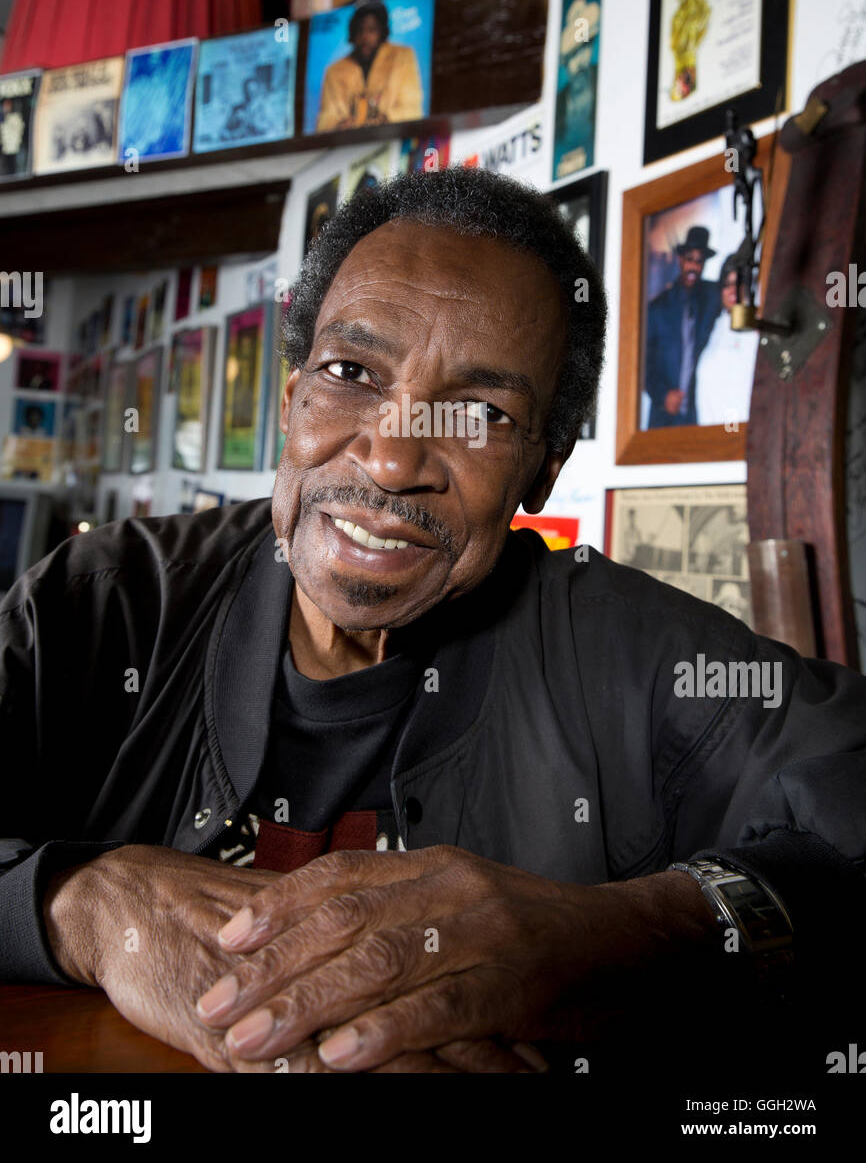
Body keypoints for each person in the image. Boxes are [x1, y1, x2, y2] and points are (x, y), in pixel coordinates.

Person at [0, 168, 864, 1078]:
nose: (389, 457)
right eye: (349, 373)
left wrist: (632, 930)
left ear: (542, 471)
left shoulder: (631, 654)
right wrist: (78, 903)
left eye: (482, 414)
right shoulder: (106, 603)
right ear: (292, 398)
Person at [644, 226, 719, 427]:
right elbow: (642, 363)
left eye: (699, 260)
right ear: (680, 260)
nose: (694, 266)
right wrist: (662, 395)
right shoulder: (657, 308)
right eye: (689, 258)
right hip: (663, 415)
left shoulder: (711, 297)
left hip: (698, 414)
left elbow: (733, 290)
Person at [316, 2, 423, 132]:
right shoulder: (334, 71)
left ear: (382, 31)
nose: (365, 37)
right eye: (360, 30)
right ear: (353, 33)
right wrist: (341, 125)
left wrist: (384, 119)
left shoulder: (403, 57)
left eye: (372, 30)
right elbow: (324, 121)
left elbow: (413, 111)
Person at [695, 255, 760, 426]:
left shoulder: (756, 330)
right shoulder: (712, 327)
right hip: (712, 438)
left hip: (742, 435)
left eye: (739, 283)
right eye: (727, 284)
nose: (733, 290)